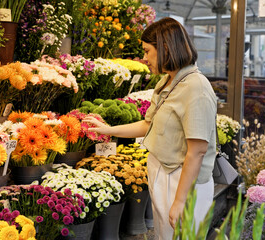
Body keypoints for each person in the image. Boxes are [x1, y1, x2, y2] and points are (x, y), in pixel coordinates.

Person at [83, 17, 217, 239]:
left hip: (182, 181)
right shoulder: (167, 81)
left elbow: (197, 151)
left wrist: (181, 201)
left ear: (165, 48)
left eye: (147, 51)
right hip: (163, 173)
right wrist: (107, 130)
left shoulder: (196, 87)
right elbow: (148, 125)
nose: (144, 58)